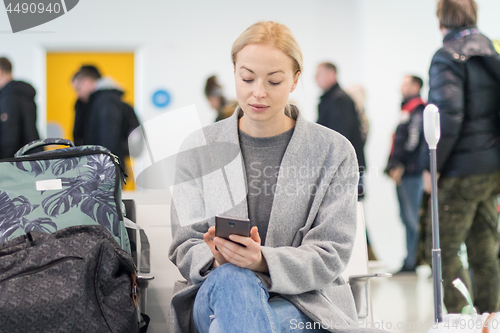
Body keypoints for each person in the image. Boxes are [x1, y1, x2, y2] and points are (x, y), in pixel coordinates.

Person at [168, 22, 362, 333]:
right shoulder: (199, 149)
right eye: (247, 78)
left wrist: (262, 260)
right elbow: (185, 244)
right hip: (217, 294)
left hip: (304, 303)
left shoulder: (333, 151)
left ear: (295, 80)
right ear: (234, 72)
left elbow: (331, 251)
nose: (258, 92)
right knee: (234, 280)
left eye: (273, 81)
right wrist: (218, 260)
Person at [423, 0, 500, 314]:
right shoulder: (492, 51)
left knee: (444, 249)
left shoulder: (446, 56)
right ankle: (490, 318)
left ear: (442, 19)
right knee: (485, 251)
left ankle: (460, 319)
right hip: (491, 169)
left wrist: (434, 166)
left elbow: (448, 117)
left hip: (460, 171)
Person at [385, 75, 426, 274]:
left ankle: (423, 261)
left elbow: (412, 140)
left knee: (414, 219)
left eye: (406, 83)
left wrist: (400, 163)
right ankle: (411, 261)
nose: (402, 86)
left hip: (411, 173)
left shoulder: (418, 110)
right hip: (404, 173)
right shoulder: (406, 109)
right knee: (407, 218)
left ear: (416, 86)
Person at [316, 63, 366, 199]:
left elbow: (338, 136)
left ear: (331, 74)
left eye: (319, 74)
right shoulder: (331, 99)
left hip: (344, 167)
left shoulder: (339, 100)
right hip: (341, 166)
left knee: (351, 211)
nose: (315, 78)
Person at [71, 65, 140, 164]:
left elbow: (109, 136)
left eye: (78, 89)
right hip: (105, 165)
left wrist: (105, 165)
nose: (78, 94)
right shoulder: (97, 100)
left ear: (87, 82)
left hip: (105, 167)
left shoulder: (106, 100)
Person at [0, 57, 39, 158]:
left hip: (16, 160)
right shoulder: (24, 93)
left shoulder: (9, 97)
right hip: (33, 152)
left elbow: (9, 136)